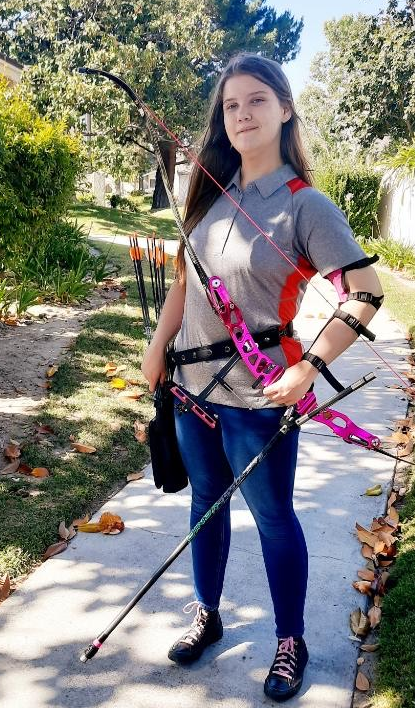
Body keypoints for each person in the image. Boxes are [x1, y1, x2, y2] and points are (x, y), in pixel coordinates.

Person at [141, 52, 383, 702]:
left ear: (283, 108)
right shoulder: (212, 192)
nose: (241, 113)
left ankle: (288, 641)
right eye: (230, 104)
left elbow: (365, 291)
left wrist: (309, 365)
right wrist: (157, 348)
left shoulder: (305, 207)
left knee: (273, 519)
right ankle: (207, 615)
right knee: (204, 507)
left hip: (258, 398)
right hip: (192, 396)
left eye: (255, 100)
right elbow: (183, 284)